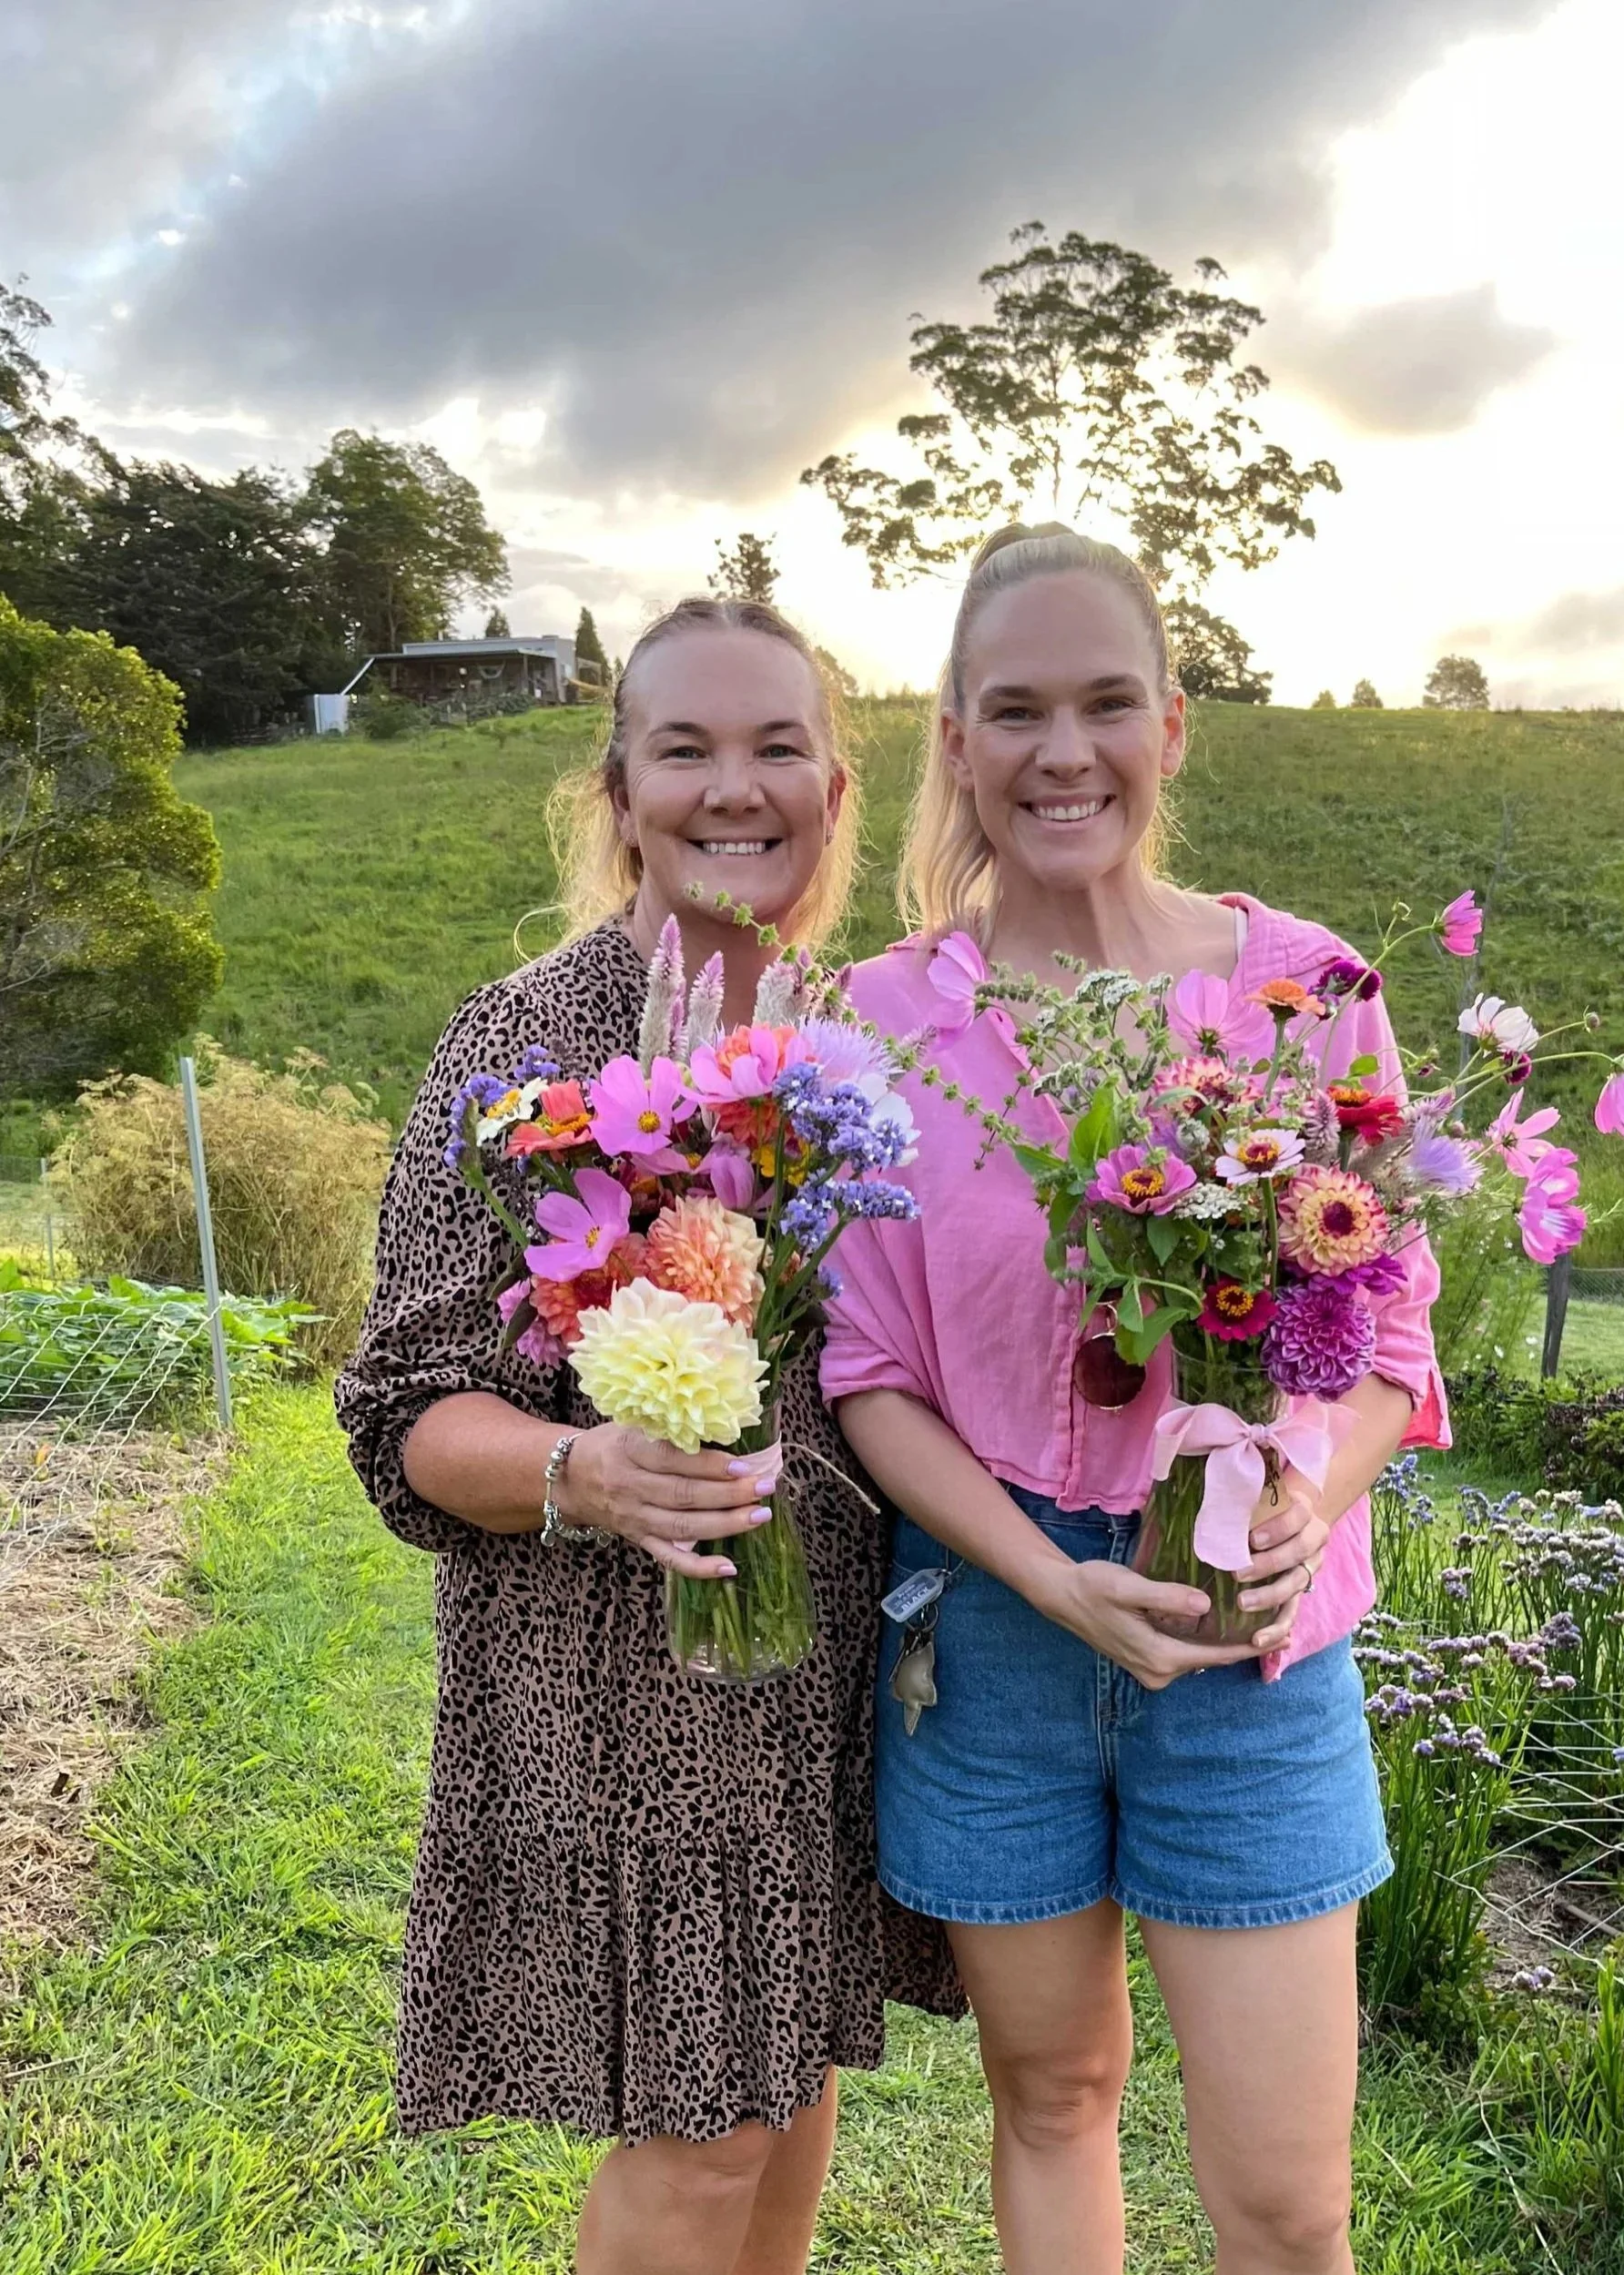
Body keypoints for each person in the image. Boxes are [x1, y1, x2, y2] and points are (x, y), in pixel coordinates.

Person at [823, 525, 1447, 2275]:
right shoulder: (876, 1020)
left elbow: (1391, 1342)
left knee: (1285, 2202)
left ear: (1172, 726)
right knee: (1054, 2098)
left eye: (1105, 702)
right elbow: (866, 1371)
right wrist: (1043, 1573)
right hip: (1000, 1638)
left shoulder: (1305, 987)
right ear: (954, 738)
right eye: (1014, 709)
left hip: (1253, 1645)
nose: (1061, 750)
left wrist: (1310, 1496)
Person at [335, 594, 959, 2275]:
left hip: (813, 1675)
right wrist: (578, 1471)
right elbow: (400, 1409)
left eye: (775, 748)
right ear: (619, 790)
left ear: (836, 792)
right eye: (684, 747)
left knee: (790, 2099)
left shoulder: (859, 1048)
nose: (730, 786)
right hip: (620, 1695)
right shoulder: (525, 1042)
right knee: (703, 2144)